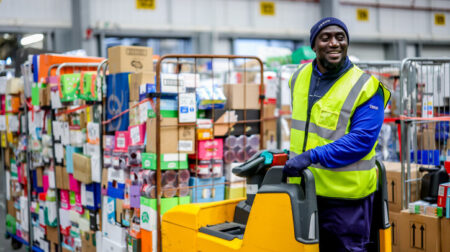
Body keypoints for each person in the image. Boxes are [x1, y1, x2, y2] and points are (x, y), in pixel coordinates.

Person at [283, 17, 391, 252]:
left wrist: (311, 156)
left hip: (347, 200)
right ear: (314, 45)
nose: (334, 43)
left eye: (340, 38)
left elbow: (361, 141)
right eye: (326, 38)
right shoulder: (298, 78)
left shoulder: (366, 86)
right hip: (305, 192)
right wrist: (290, 154)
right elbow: (309, 129)